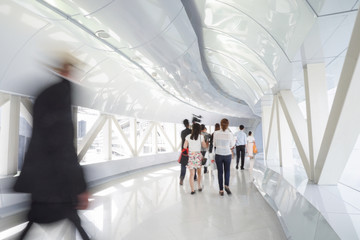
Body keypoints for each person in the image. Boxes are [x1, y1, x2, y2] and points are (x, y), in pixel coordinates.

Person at [13, 54, 90, 240]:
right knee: (72, 218)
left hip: (41, 180)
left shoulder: (45, 93)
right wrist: (81, 186)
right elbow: (64, 147)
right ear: (67, 70)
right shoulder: (62, 94)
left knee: (36, 220)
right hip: (58, 183)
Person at [183, 123, 208, 194]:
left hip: (191, 155)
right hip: (198, 155)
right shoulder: (201, 137)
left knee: (191, 174)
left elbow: (184, 146)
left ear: (192, 129)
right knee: (199, 173)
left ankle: (192, 190)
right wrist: (206, 143)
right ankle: (199, 187)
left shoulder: (188, 136)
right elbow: (204, 146)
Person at [213, 119, 235, 196]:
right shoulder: (230, 134)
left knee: (220, 172)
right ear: (228, 125)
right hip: (227, 154)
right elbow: (232, 145)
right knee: (227, 171)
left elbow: (214, 144)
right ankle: (226, 186)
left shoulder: (216, 133)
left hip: (218, 154)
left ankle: (221, 190)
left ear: (220, 124)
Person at [179, 119, 192, 185]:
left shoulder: (182, 132)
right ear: (188, 124)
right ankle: (194, 177)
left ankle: (181, 178)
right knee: (192, 164)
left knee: (183, 165)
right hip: (190, 150)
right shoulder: (191, 131)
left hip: (184, 150)